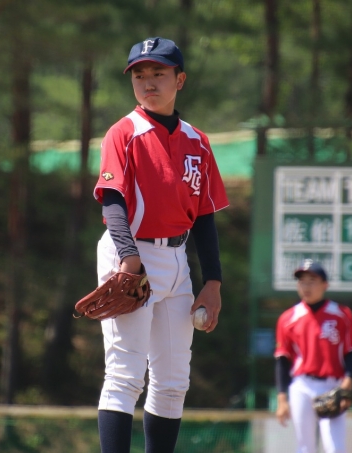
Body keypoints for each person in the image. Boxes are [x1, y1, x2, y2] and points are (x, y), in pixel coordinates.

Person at [92, 37, 229, 453]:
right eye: (139, 74)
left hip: (177, 258)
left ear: (179, 80)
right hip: (130, 253)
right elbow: (112, 201)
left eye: (158, 73)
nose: (148, 81)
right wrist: (129, 261)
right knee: (125, 375)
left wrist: (213, 281)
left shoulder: (198, 142)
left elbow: (204, 215)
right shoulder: (124, 132)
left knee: (172, 382)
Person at [274, 260, 352, 453]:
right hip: (302, 385)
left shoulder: (341, 314)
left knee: (335, 447)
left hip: (333, 385)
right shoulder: (288, 318)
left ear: (325, 284)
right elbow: (282, 360)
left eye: (312, 281)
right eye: (302, 281)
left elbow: (351, 352)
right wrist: (282, 399)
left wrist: (348, 381)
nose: (306, 286)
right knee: (304, 447)